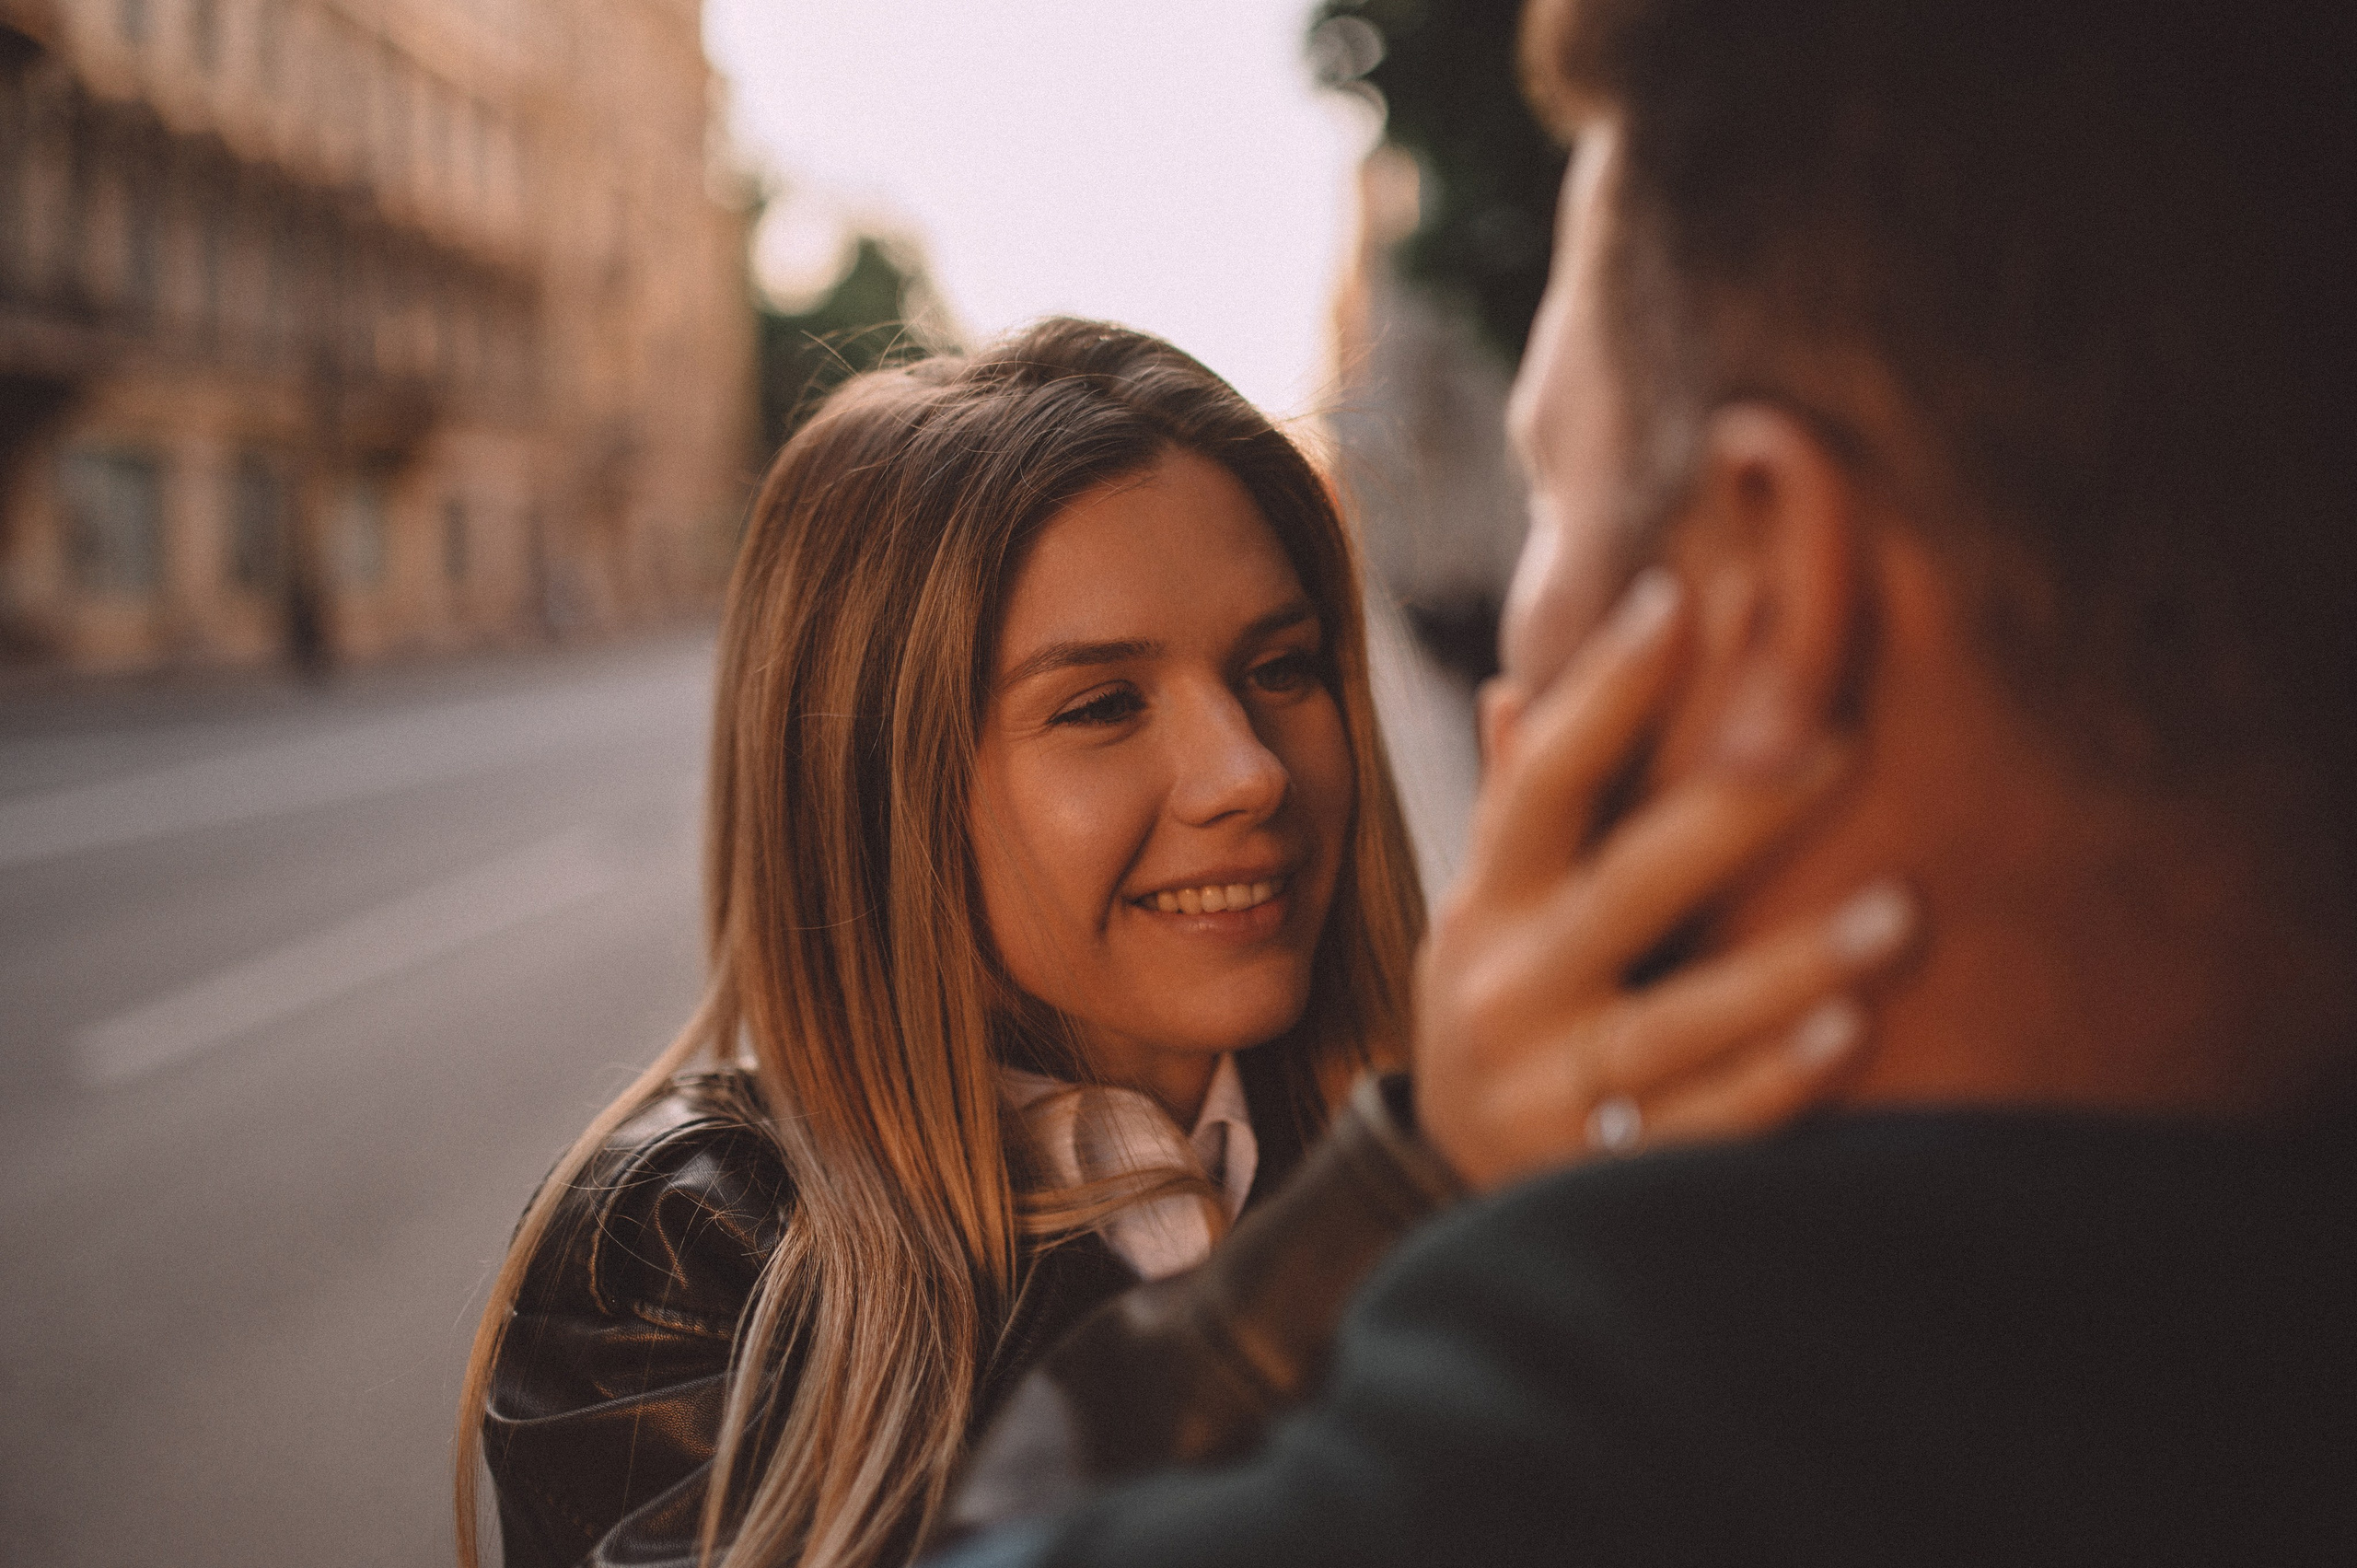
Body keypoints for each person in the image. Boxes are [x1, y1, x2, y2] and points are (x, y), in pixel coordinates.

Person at [924, 1, 2357, 1563]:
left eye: (1551, 485)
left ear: (1764, 593)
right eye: (1102, 703)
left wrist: (1408, 1197)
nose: (1247, 774)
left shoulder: (1546, 1437)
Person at [454, 319, 1908, 1568]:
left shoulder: (1504, 1142)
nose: (1249, 773)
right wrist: (1391, 1207)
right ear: (876, 788)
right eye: (1100, 704)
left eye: (1281, 670)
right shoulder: (687, 1247)